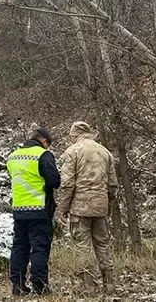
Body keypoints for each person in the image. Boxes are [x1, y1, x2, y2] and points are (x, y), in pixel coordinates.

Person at [57, 121, 118, 295]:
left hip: (80, 208)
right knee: (103, 244)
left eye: (71, 136)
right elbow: (113, 184)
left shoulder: (72, 152)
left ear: (74, 135)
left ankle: (89, 286)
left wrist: (63, 208)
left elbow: (67, 184)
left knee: (83, 246)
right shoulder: (105, 152)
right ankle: (109, 283)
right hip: (100, 206)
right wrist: (108, 204)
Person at [7, 127, 60, 296]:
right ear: (44, 141)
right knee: (39, 247)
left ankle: (18, 285)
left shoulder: (13, 157)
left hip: (19, 209)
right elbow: (54, 181)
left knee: (19, 247)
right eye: (48, 145)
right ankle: (40, 285)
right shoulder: (43, 155)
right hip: (39, 209)